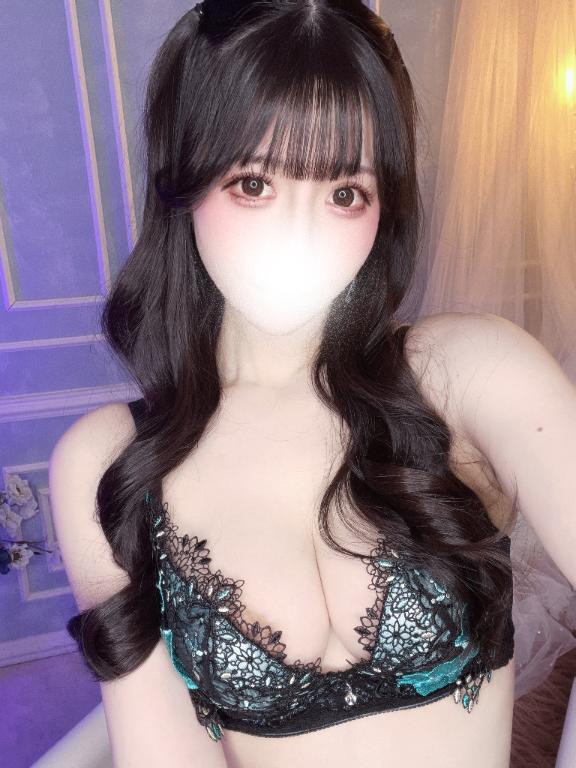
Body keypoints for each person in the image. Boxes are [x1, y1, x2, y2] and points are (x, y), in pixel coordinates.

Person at [48, 1, 576, 766]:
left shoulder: (467, 372)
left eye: (344, 193)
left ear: (384, 203)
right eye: (254, 183)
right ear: (184, 178)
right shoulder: (109, 462)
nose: (300, 234)